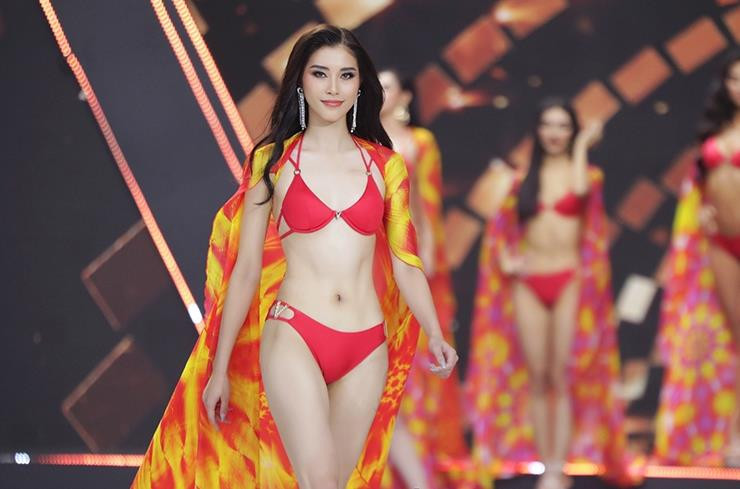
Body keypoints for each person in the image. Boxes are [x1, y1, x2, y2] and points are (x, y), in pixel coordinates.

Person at [132, 24, 457, 489]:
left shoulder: (388, 165)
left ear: (360, 85)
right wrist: (219, 368)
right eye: (320, 74)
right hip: (295, 333)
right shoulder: (271, 161)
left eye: (346, 75)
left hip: (368, 345)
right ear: (300, 81)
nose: (333, 87)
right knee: (319, 479)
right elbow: (246, 271)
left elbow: (406, 262)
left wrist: (435, 333)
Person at [465, 99, 635, 489]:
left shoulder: (587, 174)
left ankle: (559, 465)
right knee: (538, 375)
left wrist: (582, 146)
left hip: (569, 278)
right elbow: (499, 232)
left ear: (573, 131)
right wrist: (506, 258)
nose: (555, 133)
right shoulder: (521, 179)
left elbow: (580, 190)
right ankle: (547, 464)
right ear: (537, 130)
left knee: (561, 373)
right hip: (528, 281)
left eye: (563, 126)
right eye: (548, 125)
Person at [378, 68, 467, 489]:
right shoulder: (357, 140)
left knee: (413, 364)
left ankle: (422, 469)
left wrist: (427, 253)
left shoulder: (419, 142)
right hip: (368, 261)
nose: (379, 93)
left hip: (407, 257)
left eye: (387, 86)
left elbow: (425, 202)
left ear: (405, 95)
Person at [655, 50, 740, 467]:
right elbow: (698, 186)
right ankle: (730, 433)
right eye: (735, 79)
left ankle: (737, 433)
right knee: (733, 337)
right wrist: (701, 210)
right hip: (720, 241)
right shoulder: (715, 129)